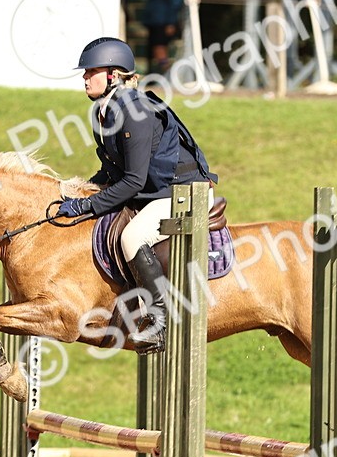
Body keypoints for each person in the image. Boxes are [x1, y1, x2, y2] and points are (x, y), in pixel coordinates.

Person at [57, 36, 218, 354]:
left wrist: (88, 205)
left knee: (131, 238)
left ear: (113, 76)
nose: (85, 77)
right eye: (86, 72)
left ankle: (160, 322)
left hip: (183, 194)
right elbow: (110, 172)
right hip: (154, 193)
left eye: (92, 71)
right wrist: (78, 192)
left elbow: (132, 181)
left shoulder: (135, 110)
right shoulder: (103, 112)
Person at [141, 0, 183, 75]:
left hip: (163, 21)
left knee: (160, 49)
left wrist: (171, 22)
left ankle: (168, 75)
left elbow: (175, 2)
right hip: (155, 21)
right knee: (156, 49)